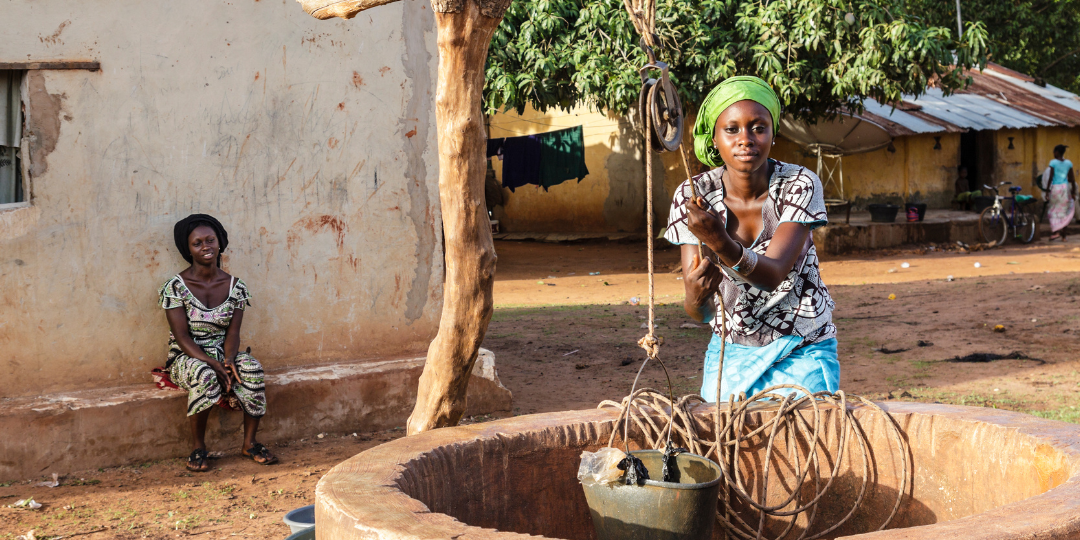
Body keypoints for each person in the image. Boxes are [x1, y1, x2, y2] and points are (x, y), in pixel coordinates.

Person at [665, 76, 839, 403]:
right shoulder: (693, 195)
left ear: (773, 135)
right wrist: (693, 296)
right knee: (725, 449)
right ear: (714, 139)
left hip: (801, 347)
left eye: (758, 128)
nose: (745, 139)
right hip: (730, 352)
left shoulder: (799, 183)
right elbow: (701, 312)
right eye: (732, 130)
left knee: (803, 443)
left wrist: (719, 242)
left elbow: (772, 275)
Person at [159, 214, 277, 471]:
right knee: (204, 374)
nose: (206, 247)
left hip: (223, 352)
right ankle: (198, 447)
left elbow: (233, 334)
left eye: (210, 240)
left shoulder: (235, 287)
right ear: (188, 249)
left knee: (252, 369)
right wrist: (212, 364)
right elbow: (182, 337)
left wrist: (230, 360)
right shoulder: (175, 288)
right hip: (186, 356)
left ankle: (250, 443)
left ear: (219, 243)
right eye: (197, 243)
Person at [1046, 145, 1077, 241]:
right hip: (1065, 189)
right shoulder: (1068, 163)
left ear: (1056, 152)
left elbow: (1051, 177)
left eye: (1054, 152)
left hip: (1056, 189)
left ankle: (1055, 232)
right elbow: (1072, 179)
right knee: (1064, 211)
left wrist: (1047, 191)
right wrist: (1073, 192)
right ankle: (1064, 236)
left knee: (1053, 211)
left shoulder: (1053, 162)